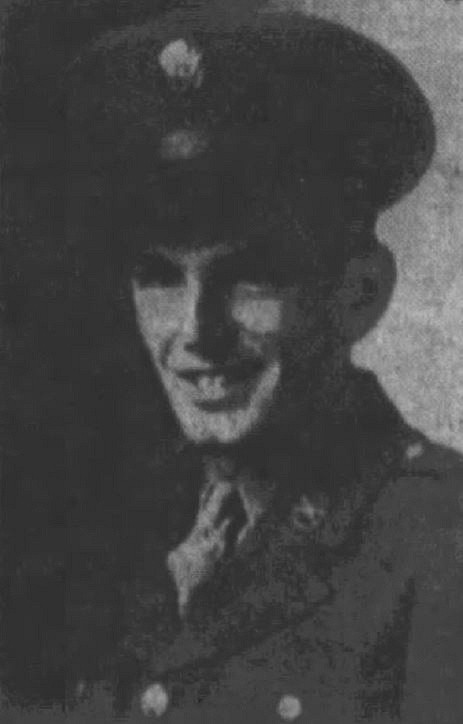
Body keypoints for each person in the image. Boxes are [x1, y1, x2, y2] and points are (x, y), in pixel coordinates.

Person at [1, 4, 463, 723]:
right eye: (160, 278)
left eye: (252, 277)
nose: (197, 333)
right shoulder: (122, 525)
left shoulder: (437, 545)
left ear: (359, 294)